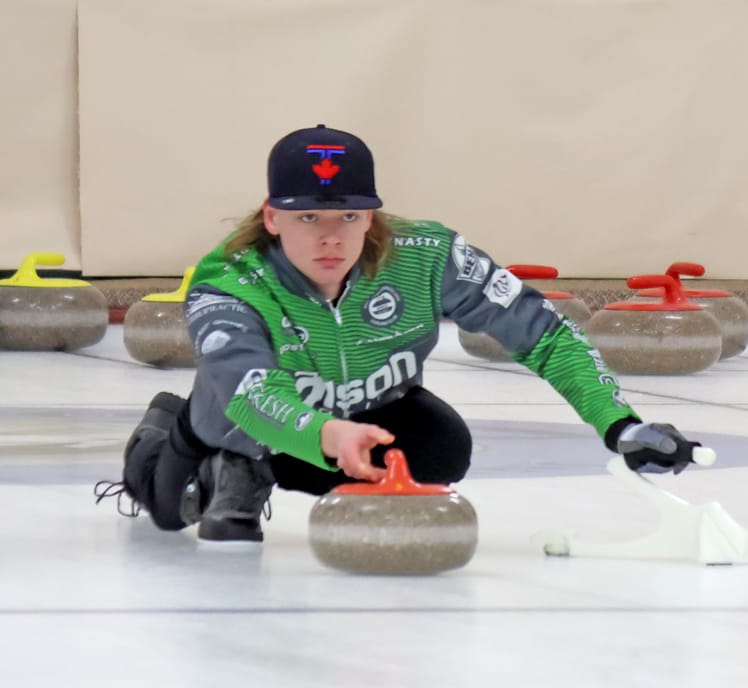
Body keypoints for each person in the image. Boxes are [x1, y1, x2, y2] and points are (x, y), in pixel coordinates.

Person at [94, 124, 702, 543]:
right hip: (243, 411)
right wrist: (327, 433)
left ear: (373, 215)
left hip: (372, 405)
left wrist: (618, 424)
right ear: (273, 216)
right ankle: (181, 442)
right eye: (308, 217)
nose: (331, 237)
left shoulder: (427, 256)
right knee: (174, 514)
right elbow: (247, 388)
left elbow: (543, 335)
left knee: (441, 448)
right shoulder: (229, 280)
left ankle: (261, 469)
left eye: (349, 217)